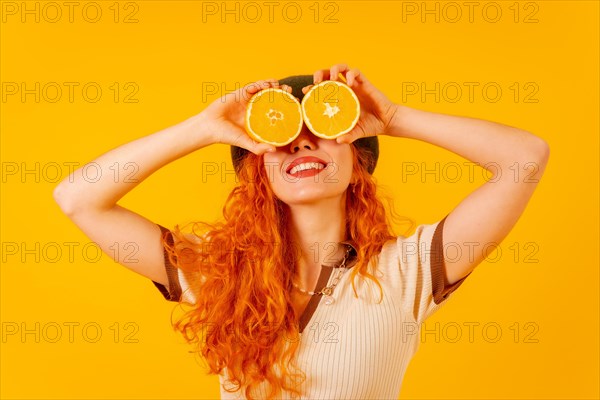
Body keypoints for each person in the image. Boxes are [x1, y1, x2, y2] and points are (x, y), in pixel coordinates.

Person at [53, 64, 550, 399]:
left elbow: (525, 159)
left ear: (358, 161)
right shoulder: (219, 272)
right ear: (258, 171)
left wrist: (394, 118)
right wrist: (201, 128)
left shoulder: (409, 269)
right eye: (281, 136)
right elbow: (78, 198)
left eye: (322, 131)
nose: (299, 145)